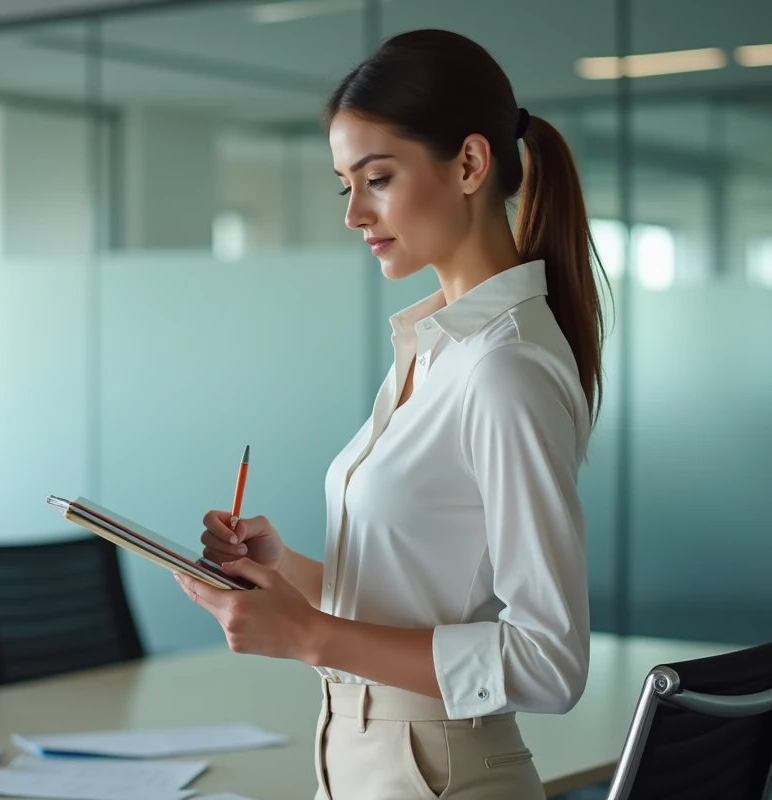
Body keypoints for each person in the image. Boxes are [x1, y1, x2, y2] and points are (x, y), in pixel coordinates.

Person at [175, 28, 606, 799]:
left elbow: (550, 660)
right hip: (365, 760)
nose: (354, 214)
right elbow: (418, 585)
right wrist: (286, 574)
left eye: (376, 178)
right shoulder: (434, 344)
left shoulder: (503, 369)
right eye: (345, 184)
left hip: (441, 773)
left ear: (470, 164)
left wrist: (309, 635)